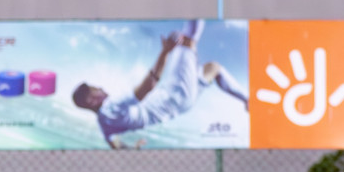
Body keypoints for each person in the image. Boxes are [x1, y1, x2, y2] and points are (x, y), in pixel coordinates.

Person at [72, 21, 249, 150]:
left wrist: (132, 150)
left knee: (213, 68)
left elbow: (115, 146)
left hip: (181, 105)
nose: (100, 87)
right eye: (95, 89)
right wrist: (165, 52)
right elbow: (148, 86)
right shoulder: (111, 106)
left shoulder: (104, 123)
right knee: (187, 40)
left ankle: (248, 101)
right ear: (91, 100)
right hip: (175, 94)